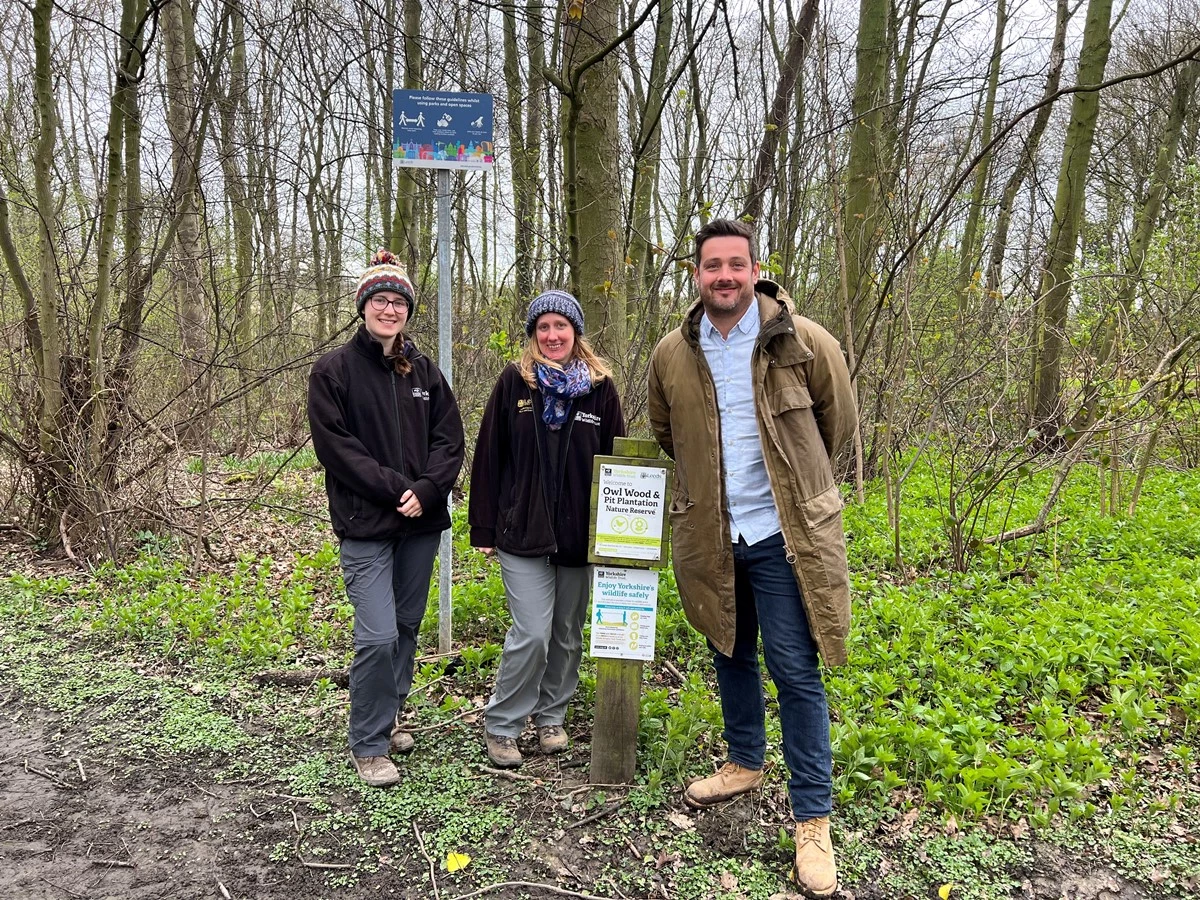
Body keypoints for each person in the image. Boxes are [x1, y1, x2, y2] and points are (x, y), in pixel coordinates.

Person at [647, 219, 857, 897]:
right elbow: (664, 431)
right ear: (696, 274)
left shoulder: (803, 342)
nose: (725, 277)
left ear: (755, 268)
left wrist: (799, 494)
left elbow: (838, 425)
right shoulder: (672, 355)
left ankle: (813, 818)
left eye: (735, 265)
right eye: (713, 267)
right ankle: (744, 759)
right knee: (727, 647)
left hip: (784, 538)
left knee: (795, 670)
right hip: (713, 534)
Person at [308, 249, 465, 788]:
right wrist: (397, 488)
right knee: (376, 635)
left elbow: (450, 440)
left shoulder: (424, 371)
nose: (390, 309)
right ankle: (368, 743)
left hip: (420, 525)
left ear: (408, 310)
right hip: (366, 524)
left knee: (403, 626)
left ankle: (388, 713)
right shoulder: (334, 371)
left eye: (399, 302)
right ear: (364, 307)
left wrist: (426, 490)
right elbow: (337, 447)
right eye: (381, 300)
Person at [469, 290, 625, 769]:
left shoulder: (601, 389)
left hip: (580, 535)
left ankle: (551, 716)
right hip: (523, 532)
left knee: (567, 633)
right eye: (543, 327)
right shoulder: (515, 385)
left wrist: (618, 534)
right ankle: (503, 725)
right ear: (533, 335)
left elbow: (618, 462)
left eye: (561, 326)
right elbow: (490, 457)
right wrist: (485, 526)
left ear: (576, 333)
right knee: (532, 632)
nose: (552, 335)